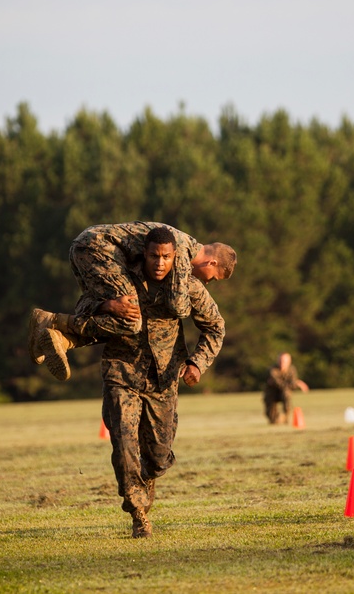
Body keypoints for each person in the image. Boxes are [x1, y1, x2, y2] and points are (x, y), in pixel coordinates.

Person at [97, 226, 225, 537]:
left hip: (163, 380)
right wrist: (108, 305)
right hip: (122, 373)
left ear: (175, 257)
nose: (159, 262)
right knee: (125, 445)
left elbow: (215, 327)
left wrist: (197, 362)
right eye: (154, 255)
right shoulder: (121, 280)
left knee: (158, 457)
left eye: (166, 257)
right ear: (145, 254)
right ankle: (138, 513)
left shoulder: (186, 287)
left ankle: (145, 482)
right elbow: (84, 307)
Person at [27, 221, 236, 380]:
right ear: (212, 262)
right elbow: (178, 306)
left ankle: (60, 339)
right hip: (97, 250)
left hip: (86, 246)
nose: (208, 283)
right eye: (213, 277)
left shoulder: (183, 243)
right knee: (131, 316)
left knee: (113, 316)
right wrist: (191, 293)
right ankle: (52, 320)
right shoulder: (180, 249)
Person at [263, 352, 309, 425]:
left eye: (284, 361)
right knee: (273, 420)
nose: (282, 363)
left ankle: (286, 416)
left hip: (284, 393)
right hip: (272, 394)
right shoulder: (272, 370)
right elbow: (278, 384)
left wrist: (295, 383)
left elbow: (292, 384)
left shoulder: (292, 370)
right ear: (277, 360)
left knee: (286, 393)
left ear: (289, 362)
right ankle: (275, 418)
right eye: (280, 360)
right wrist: (298, 383)